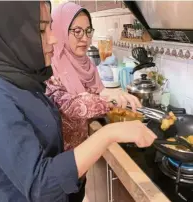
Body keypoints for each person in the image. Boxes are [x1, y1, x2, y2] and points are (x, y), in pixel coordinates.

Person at [0, 1, 156, 202]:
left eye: (50, 26)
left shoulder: (25, 80)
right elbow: (40, 184)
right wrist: (108, 134)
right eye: (41, 29)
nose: (53, 38)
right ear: (7, 34)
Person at [46, 2, 141, 151]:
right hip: (64, 156)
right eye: (77, 31)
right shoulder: (51, 66)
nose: (85, 38)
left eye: (88, 31)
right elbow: (68, 105)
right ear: (61, 31)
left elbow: (96, 94)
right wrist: (106, 98)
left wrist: (113, 95)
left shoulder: (88, 64)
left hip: (87, 148)